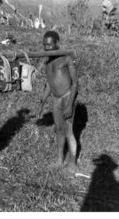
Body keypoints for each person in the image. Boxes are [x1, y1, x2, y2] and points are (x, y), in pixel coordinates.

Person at [38, 31, 78, 172]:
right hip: (56, 99)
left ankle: (72, 162)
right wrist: (43, 100)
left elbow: (74, 84)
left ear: (56, 43)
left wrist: (69, 105)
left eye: (49, 44)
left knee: (69, 131)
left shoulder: (66, 58)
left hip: (67, 97)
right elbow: (50, 83)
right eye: (44, 45)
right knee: (59, 131)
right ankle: (59, 161)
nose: (46, 47)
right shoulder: (47, 62)